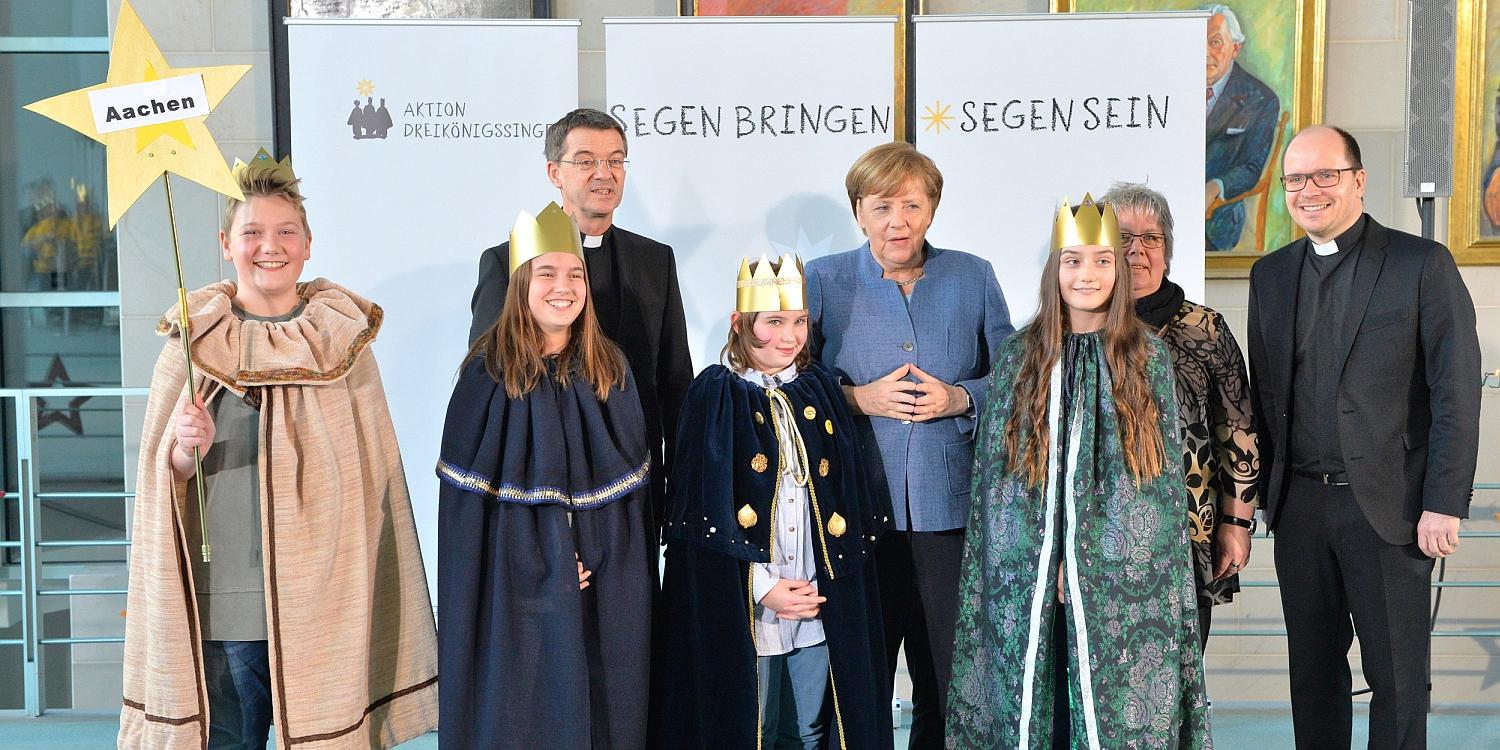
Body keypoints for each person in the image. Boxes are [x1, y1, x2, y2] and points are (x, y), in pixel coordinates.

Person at [119, 150, 438, 749]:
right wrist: (185, 448)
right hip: (226, 606)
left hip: (323, 600)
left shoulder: (341, 341)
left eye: (286, 231)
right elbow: (165, 480)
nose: (271, 245)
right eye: (253, 232)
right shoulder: (194, 342)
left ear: (308, 243)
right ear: (225, 243)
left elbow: (371, 476)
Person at [946, 195, 1212, 748]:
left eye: (1100, 260)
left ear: (1119, 267)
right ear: (1053, 270)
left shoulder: (1147, 357)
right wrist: (1049, 558)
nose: (1086, 274)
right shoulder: (1022, 356)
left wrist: (1089, 558)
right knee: (1040, 700)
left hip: (1119, 573)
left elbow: (1153, 487)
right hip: (1031, 568)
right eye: (1072, 261)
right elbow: (1004, 482)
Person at [1247, 125, 1481, 748]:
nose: (1309, 190)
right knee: (1313, 679)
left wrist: (1444, 502)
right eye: (1297, 179)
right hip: (1299, 509)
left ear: (1358, 180)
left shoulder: (1420, 264)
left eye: (1325, 175)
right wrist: (1265, 502)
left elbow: (1457, 391)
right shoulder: (1269, 275)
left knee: (1398, 681)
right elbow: (1266, 395)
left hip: (1390, 507)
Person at [805, 142, 1013, 749]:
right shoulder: (821, 279)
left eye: (913, 205)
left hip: (948, 517)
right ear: (859, 211)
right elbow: (792, 385)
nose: (898, 221)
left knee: (946, 679)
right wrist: (859, 400)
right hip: (852, 513)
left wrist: (960, 398)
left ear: (933, 209)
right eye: (882, 206)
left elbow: (1015, 377)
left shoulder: (972, 275)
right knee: (859, 677)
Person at [651, 254, 891, 749]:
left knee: (810, 726)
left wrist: (820, 580)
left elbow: (844, 493)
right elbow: (700, 516)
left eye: (799, 321)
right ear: (741, 323)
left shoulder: (820, 387)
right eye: (775, 322)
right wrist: (765, 588)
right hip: (751, 601)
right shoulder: (714, 395)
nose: (790, 336)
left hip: (815, 596)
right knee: (751, 723)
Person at [438, 203, 654, 749]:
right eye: (547, 273)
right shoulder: (486, 376)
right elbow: (466, 516)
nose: (564, 287)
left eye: (575, 274)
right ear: (519, 285)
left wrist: (592, 557)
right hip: (516, 594)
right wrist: (548, 562)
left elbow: (630, 500)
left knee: (604, 712)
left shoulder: (611, 369)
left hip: (602, 590)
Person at [469, 107, 692, 528]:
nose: (603, 173)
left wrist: (679, 489)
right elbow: (490, 384)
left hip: (635, 483)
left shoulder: (655, 260)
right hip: (543, 491)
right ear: (555, 172)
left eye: (615, 160)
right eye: (586, 161)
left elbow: (674, 385)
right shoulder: (507, 262)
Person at [1104, 181, 1260, 648]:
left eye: (1151, 238)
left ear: (1167, 252)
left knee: (1179, 675)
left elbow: (1239, 429)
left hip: (1187, 530)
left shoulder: (1205, 328)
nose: (1137, 250)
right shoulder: (1076, 327)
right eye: (1123, 238)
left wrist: (1237, 523)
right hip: (1101, 540)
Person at [1204, 3, 1280, 252]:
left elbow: (1251, 168)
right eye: (1195, 42)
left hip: (1216, 222)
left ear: (1235, 48)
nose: (1204, 53)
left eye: (1215, 43)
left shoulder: (1259, 99)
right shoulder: (1167, 92)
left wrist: (1214, 187)